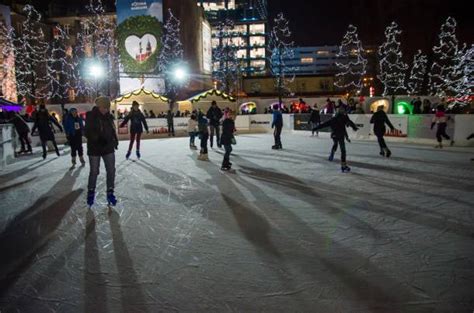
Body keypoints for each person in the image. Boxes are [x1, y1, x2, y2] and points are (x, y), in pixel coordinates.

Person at [85, 97, 118, 207]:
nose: (106, 110)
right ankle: (91, 191)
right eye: (104, 107)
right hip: (94, 149)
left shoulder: (109, 117)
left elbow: (112, 130)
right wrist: (98, 138)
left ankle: (110, 191)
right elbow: (87, 132)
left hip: (108, 147)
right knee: (94, 171)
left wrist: (115, 141)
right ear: (98, 106)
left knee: (111, 170)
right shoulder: (91, 116)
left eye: (107, 108)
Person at [313, 107, 358, 173]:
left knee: (335, 144)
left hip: (334, 135)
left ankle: (332, 154)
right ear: (342, 112)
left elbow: (324, 124)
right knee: (343, 150)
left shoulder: (333, 119)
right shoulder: (344, 118)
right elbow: (349, 123)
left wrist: (316, 128)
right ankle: (343, 165)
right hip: (340, 135)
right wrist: (354, 127)